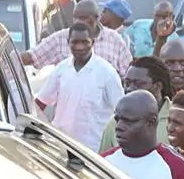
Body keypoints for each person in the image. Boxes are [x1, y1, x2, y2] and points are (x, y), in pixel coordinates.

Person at [34, 22, 124, 152]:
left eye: (84, 42)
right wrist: (44, 129)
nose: (79, 47)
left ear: (93, 42)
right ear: (68, 42)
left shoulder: (107, 73)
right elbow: (40, 103)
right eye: (75, 42)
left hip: (94, 151)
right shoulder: (61, 69)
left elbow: (121, 112)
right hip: (61, 147)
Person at [99, 56, 184, 153]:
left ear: (158, 86)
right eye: (127, 83)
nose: (130, 89)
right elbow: (103, 166)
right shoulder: (115, 123)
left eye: (138, 83)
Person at [101, 90, 184, 179]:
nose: (118, 127)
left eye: (128, 121)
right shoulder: (102, 162)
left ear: (151, 122)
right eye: (117, 119)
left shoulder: (178, 168)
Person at [22, 0, 132, 77]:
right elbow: (33, 56)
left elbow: (128, 72)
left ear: (94, 19)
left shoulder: (114, 40)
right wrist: (8, 57)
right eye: (75, 18)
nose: (77, 22)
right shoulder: (61, 38)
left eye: (82, 18)